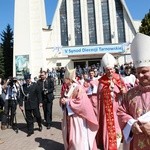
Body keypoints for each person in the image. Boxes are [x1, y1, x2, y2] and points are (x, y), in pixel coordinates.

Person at [117, 33, 150, 150]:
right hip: (136, 143)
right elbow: (120, 112)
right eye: (137, 72)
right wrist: (131, 124)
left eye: (144, 71)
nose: (140, 75)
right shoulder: (130, 94)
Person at [60, 67, 99, 150]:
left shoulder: (78, 88)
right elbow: (63, 99)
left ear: (70, 79)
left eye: (65, 79)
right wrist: (62, 101)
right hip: (68, 117)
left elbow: (81, 102)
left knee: (77, 139)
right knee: (70, 136)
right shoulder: (66, 88)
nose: (64, 80)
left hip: (77, 117)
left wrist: (67, 102)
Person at [96, 53, 127, 150]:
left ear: (114, 69)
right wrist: (107, 89)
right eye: (108, 70)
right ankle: (108, 145)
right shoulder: (102, 81)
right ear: (105, 70)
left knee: (117, 126)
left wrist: (122, 91)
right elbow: (99, 94)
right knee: (108, 127)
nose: (110, 71)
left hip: (117, 107)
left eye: (111, 69)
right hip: (107, 109)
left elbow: (124, 90)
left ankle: (117, 143)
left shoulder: (118, 78)